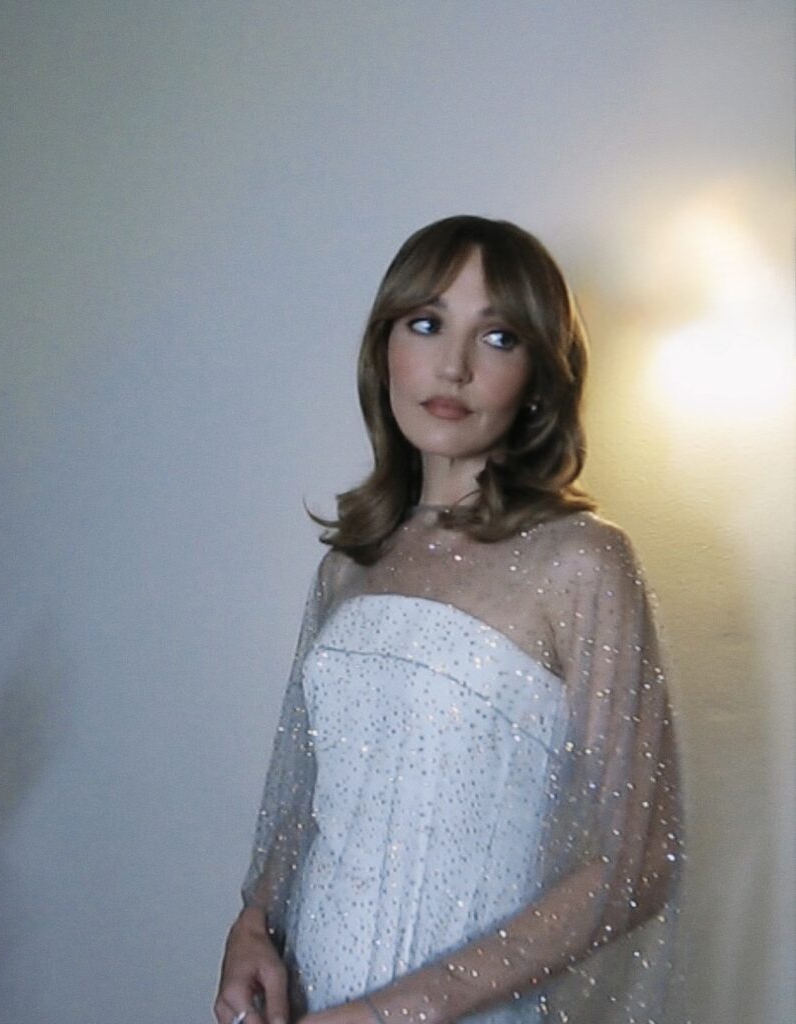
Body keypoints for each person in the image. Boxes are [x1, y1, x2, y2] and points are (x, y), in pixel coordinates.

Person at [214, 216, 687, 1024]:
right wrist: (252, 925)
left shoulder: (580, 560)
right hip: (308, 999)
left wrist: (394, 1012)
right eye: (425, 324)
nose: (453, 366)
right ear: (383, 349)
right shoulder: (350, 565)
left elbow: (638, 861)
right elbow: (311, 795)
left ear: (538, 375)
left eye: (497, 337)